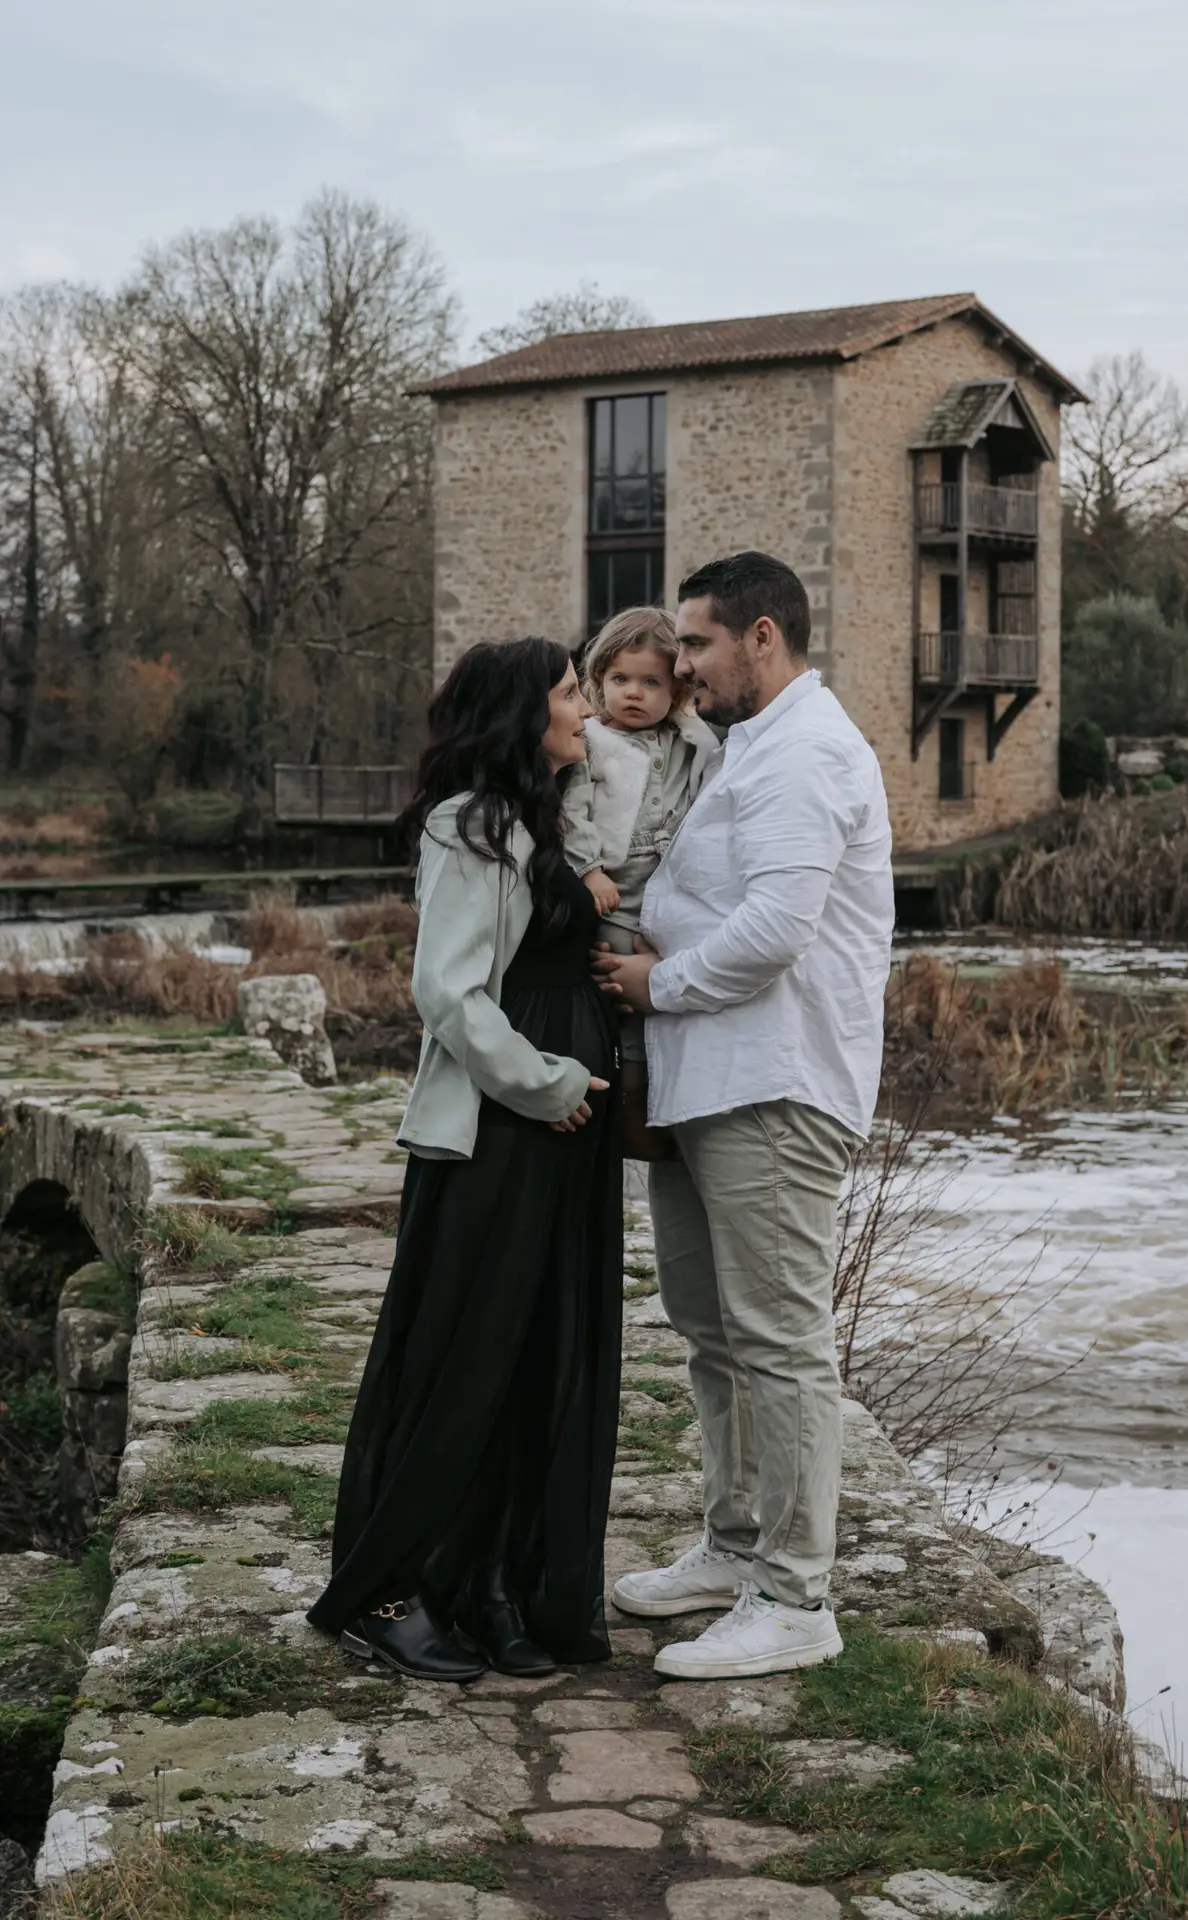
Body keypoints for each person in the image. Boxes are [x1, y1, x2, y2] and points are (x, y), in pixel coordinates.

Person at [599, 551, 894, 1681]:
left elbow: (775, 929)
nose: (679, 665)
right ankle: (731, 1547)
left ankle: (793, 1594)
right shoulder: (745, 749)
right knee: (710, 1329)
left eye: (698, 644)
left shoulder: (807, 752)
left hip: (770, 1084)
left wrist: (652, 986)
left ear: (761, 637)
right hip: (705, 1085)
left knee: (775, 1339)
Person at [307, 638, 622, 1682]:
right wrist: (548, 1085)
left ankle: (489, 1586)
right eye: (572, 693)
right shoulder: (466, 826)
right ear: (521, 714)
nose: (587, 708)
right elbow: (447, 992)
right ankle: (382, 1590)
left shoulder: (543, 819)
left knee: (539, 1359)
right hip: (503, 1127)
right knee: (461, 1358)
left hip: (567, 1133)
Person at [561, 606, 719, 1159]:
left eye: (652, 682)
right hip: (613, 896)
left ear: (675, 692)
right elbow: (573, 811)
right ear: (599, 680)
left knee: (670, 998)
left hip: (666, 896)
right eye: (620, 679)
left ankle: (667, 1101)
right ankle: (629, 1113)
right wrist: (588, 868)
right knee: (622, 1001)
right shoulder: (592, 742)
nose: (634, 693)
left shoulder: (688, 740)